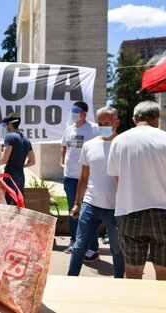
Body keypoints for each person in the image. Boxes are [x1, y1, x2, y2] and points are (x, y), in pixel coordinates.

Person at [108, 101, 166, 281]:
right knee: (164, 270)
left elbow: (116, 176)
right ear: (157, 118)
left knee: (132, 270)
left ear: (134, 119)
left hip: (129, 212)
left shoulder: (119, 140)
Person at [67, 106, 124, 278]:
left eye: (107, 123)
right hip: (90, 205)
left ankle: (120, 282)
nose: (103, 126)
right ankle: (70, 281)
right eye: (100, 123)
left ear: (117, 123)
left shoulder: (123, 145)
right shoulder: (89, 145)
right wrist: (77, 203)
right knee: (79, 247)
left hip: (116, 208)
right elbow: (84, 177)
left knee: (117, 250)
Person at [60, 101, 100, 259]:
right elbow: (63, 146)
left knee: (90, 211)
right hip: (70, 178)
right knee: (73, 211)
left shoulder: (94, 128)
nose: (73, 113)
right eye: (72, 110)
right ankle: (75, 241)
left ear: (84, 113)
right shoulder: (69, 129)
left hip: (88, 179)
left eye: (76, 111)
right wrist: (61, 162)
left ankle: (92, 247)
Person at [0, 113, 35, 203]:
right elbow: (32, 161)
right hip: (20, 175)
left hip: (9, 175)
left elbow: (4, 159)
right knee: (19, 204)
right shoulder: (26, 139)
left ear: (10, 125)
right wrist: (22, 165)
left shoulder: (9, 137)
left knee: (6, 204)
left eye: (5, 125)